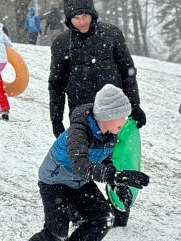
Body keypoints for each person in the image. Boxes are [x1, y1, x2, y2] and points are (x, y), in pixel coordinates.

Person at [8, 85, 150, 241]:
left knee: (104, 218)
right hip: (55, 181)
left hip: (80, 181)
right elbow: (81, 165)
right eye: (121, 116)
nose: (124, 121)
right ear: (107, 115)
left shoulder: (111, 134)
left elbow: (104, 159)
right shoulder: (79, 131)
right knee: (56, 233)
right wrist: (114, 176)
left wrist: (117, 184)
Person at [49, 0, 146, 138]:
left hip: (113, 111)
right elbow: (56, 84)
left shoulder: (112, 34)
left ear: (92, 14)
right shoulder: (61, 43)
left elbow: (128, 72)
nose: (82, 22)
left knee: (115, 156)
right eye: (76, 18)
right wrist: (56, 120)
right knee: (84, 156)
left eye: (85, 16)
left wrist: (134, 105)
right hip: (82, 113)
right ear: (69, 19)